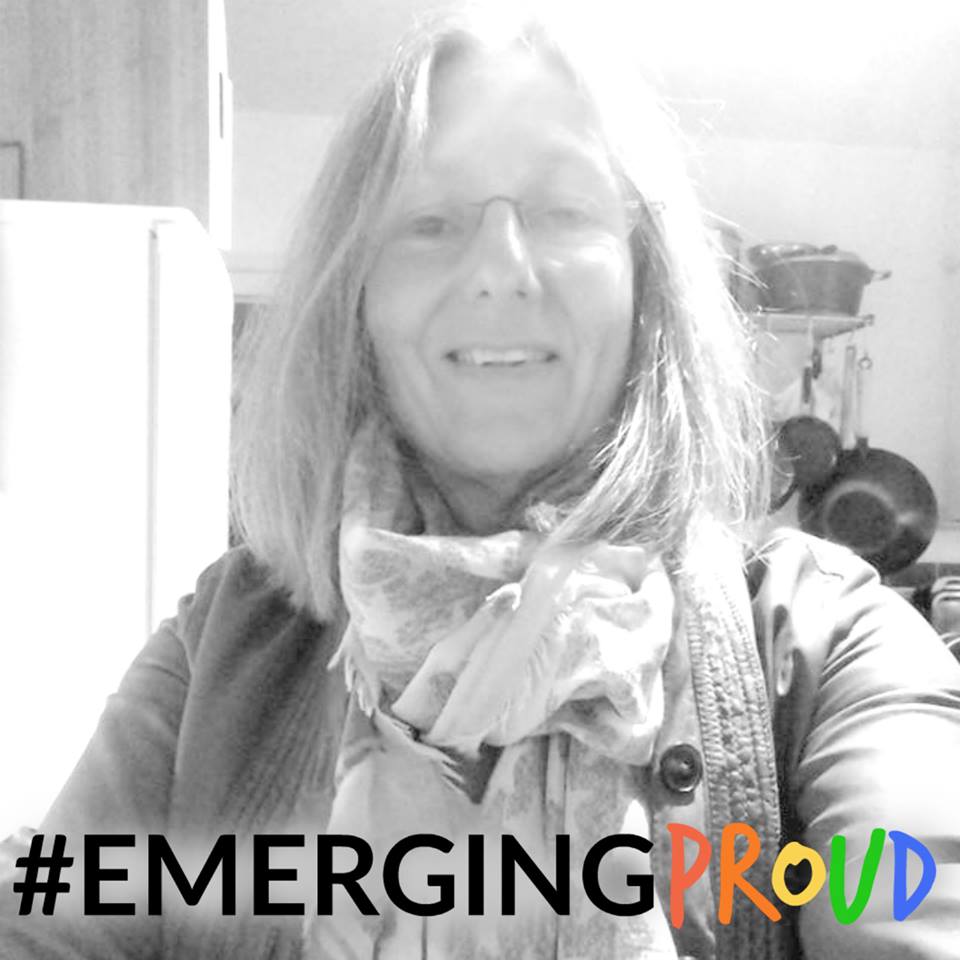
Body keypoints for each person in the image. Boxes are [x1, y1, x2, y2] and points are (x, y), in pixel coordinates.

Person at [2, 8, 959, 959]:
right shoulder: (223, 643)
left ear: (645, 285)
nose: (501, 269)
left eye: (563, 212)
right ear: (357, 299)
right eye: (430, 221)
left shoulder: (826, 646)